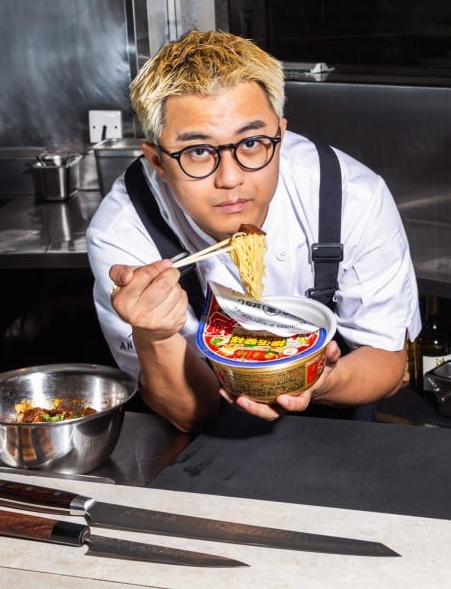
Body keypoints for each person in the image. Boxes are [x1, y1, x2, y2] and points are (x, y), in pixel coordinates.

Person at [86, 29, 421, 433]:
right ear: (157, 161)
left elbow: (388, 362)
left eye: (251, 143)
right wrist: (153, 335)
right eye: (197, 151)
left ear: (280, 134)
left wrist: (319, 381)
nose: (230, 179)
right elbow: (187, 414)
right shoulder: (124, 231)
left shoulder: (350, 195)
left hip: (337, 429)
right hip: (204, 444)